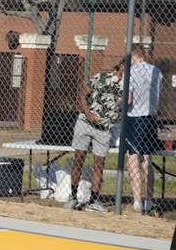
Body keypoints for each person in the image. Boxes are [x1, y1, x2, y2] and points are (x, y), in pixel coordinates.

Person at [64, 65, 122, 213]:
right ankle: (73, 197)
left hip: (104, 130)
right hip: (85, 123)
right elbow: (83, 95)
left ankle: (93, 201)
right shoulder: (101, 77)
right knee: (79, 158)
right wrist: (89, 114)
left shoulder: (128, 86)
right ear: (121, 66)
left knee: (99, 164)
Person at [124, 45, 162, 214]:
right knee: (146, 160)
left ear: (133, 56)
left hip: (135, 118)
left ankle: (137, 201)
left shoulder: (130, 72)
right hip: (151, 118)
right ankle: (149, 199)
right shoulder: (156, 71)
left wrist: (119, 102)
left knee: (132, 158)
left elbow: (128, 99)